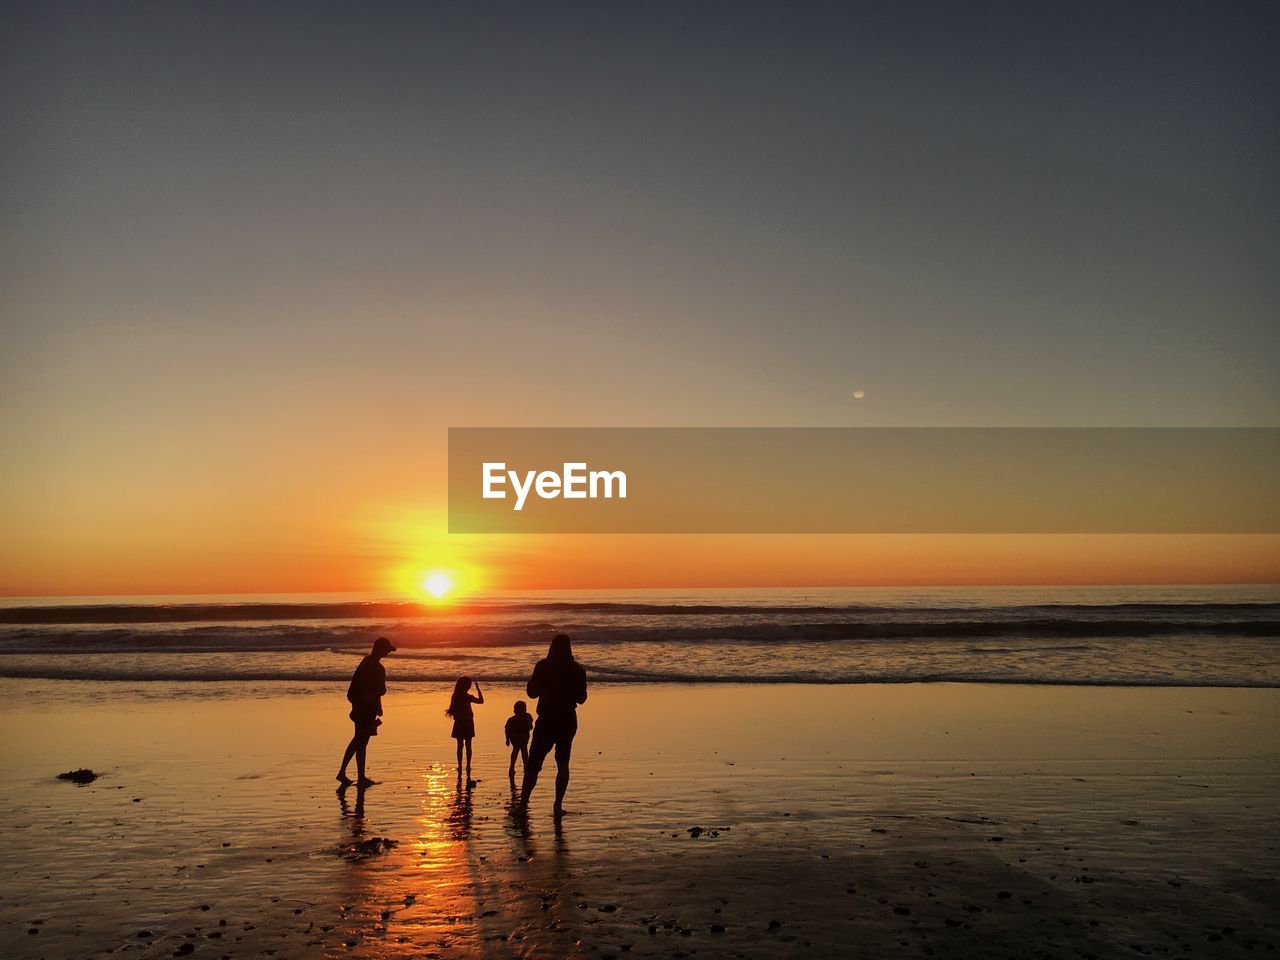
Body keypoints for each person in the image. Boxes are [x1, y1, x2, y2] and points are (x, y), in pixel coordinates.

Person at [518, 634, 588, 817]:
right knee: (563, 764)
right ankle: (557, 805)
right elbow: (582, 699)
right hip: (567, 719)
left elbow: (531, 693)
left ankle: (522, 805)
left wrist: (546, 687)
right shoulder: (578, 670)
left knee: (533, 764)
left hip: (547, 719)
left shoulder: (543, 666)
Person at [337, 636, 395, 788]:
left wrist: (378, 705)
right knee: (360, 740)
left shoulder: (365, 661)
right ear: (380, 650)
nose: (388, 653)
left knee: (361, 741)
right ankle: (344, 773)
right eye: (387, 650)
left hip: (360, 705)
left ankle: (359, 776)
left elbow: (370, 689)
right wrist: (378, 705)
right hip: (367, 708)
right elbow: (380, 690)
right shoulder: (377, 667)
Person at [447, 676, 484, 778]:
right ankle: (468, 765)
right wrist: (478, 689)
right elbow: (481, 701)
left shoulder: (455, 696)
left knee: (460, 745)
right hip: (467, 721)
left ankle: (460, 765)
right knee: (468, 745)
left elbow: (452, 710)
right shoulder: (468, 697)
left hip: (459, 722)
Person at [504, 700, 534, 778]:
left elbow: (507, 729)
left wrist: (507, 739)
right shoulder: (527, 716)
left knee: (515, 750)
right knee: (524, 750)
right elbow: (530, 727)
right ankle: (525, 767)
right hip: (523, 736)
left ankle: (512, 767)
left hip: (514, 737)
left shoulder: (511, 719)